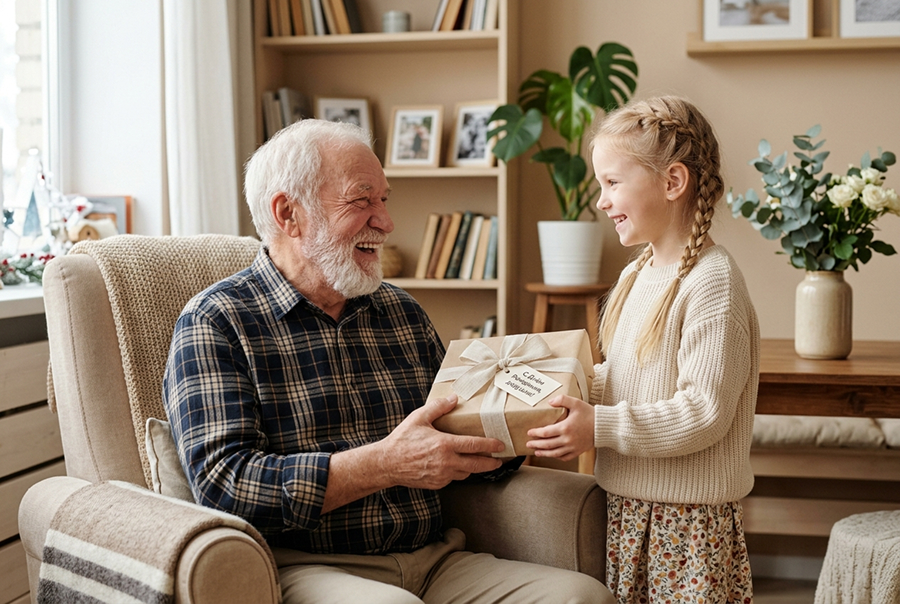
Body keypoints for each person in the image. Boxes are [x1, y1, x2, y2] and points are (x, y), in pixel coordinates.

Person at [162, 119, 614, 604]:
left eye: (384, 199)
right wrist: (384, 464)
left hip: (435, 558)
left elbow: (454, 436)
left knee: (580, 598)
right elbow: (224, 486)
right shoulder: (216, 323)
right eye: (362, 200)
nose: (386, 222)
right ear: (288, 213)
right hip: (304, 565)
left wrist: (525, 426)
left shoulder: (400, 311)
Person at [526, 96, 760, 603]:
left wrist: (600, 425)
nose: (601, 201)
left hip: (687, 526)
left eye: (612, 183)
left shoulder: (712, 283)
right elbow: (624, 376)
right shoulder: (637, 273)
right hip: (629, 510)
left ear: (673, 182)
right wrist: (556, 387)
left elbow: (704, 413)